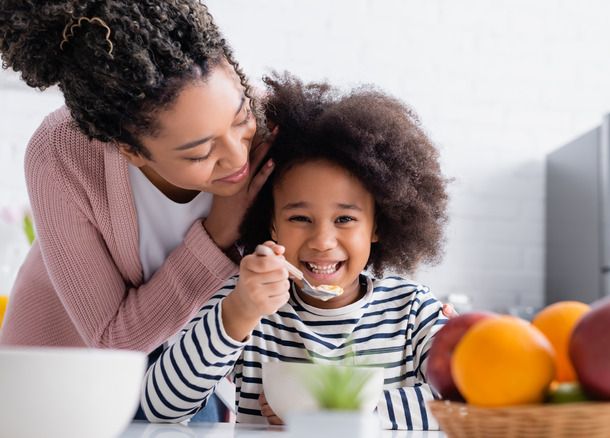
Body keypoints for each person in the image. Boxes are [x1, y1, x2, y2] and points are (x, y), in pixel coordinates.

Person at [140, 72, 452, 430]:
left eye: (345, 219)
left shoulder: (412, 310)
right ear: (271, 224)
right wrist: (240, 311)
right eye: (300, 217)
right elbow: (160, 407)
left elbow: (469, 402)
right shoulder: (248, 304)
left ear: (377, 226)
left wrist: (342, 412)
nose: (322, 240)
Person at [0, 0, 273, 352]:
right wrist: (217, 232)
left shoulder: (273, 121)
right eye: (200, 153)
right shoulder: (62, 154)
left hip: (199, 374)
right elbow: (112, 341)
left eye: (241, 119)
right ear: (129, 149)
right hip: (67, 378)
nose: (238, 158)